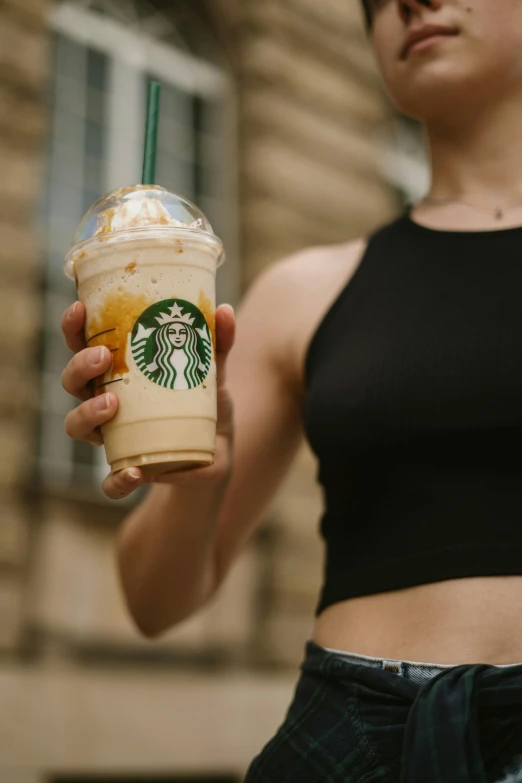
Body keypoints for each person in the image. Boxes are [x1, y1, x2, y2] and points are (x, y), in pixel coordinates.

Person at [60, 0, 522, 779]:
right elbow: (155, 602)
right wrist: (195, 475)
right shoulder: (304, 291)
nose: (408, 2)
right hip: (359, 731)